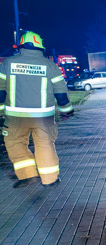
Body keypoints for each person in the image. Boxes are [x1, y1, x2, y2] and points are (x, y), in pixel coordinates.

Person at [0, 31, 74, 188]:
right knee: (45, 145)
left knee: (15, 143)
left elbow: (0, 90)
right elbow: (61, 92)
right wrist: (66, 110)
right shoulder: (49, 65)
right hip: (43, 117)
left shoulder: (8, 63)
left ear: (21, 45)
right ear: (40, 45)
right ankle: (50, 179)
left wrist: (1, 111)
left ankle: (27, 175)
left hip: (15, 117)